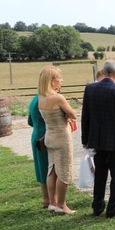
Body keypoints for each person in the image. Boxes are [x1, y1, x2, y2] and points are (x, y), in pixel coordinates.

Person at [81, 60, 115, 218]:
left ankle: (97, 207)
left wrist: (85, 139)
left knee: (100, 175)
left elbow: (85, 116)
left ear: (103, 72)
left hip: (97, 139)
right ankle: (112, 209)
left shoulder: (90, 89)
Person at [38, 66, 77, 215]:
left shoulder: (41, 97)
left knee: (52, 170)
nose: (61, 81)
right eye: (59, 78)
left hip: (50, 136)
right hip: (62, 138)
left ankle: (52, 203)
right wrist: (68, 114)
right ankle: (62, 205)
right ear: (52, 81)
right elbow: (73, 114)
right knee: (64, 172)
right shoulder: (57, 97)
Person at [27, 93, 49, 208]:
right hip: (44, 136)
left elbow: (30, 121)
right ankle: (49, 199)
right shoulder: (46, 98)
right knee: (47, 167)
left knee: (41, 167)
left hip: (36, 134)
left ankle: (46, 198)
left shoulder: (35, 98)